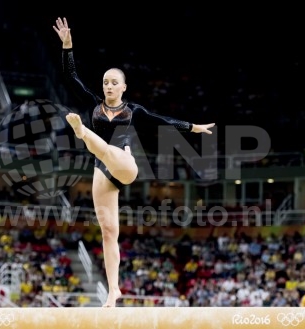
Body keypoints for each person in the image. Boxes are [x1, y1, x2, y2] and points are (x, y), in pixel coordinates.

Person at [53, 17, 215, 307]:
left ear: (124, 87)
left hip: (124, 165)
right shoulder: (94, 104)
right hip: (102, 174)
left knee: (106, 151)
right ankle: (114, 289)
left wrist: (193, 127)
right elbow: (70, 77)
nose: (108, 86)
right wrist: (68, 46)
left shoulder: (134, 111)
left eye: (114, 82)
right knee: (108, 231)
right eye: (105, 82)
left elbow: (164, 122)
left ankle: (83, 133)